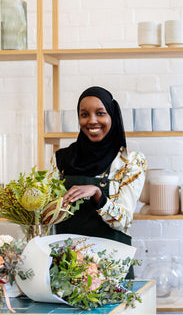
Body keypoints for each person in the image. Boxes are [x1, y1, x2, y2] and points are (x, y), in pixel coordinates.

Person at [51, 86, 147, 278]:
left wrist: (98, 194)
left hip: (112, 269)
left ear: (112, 116)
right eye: (84, 114)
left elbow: (124, 221)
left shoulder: (130, 162)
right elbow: (48, 214)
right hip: (66, 270)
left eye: (100, 113)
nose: (92, 120)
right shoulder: (61, 159)